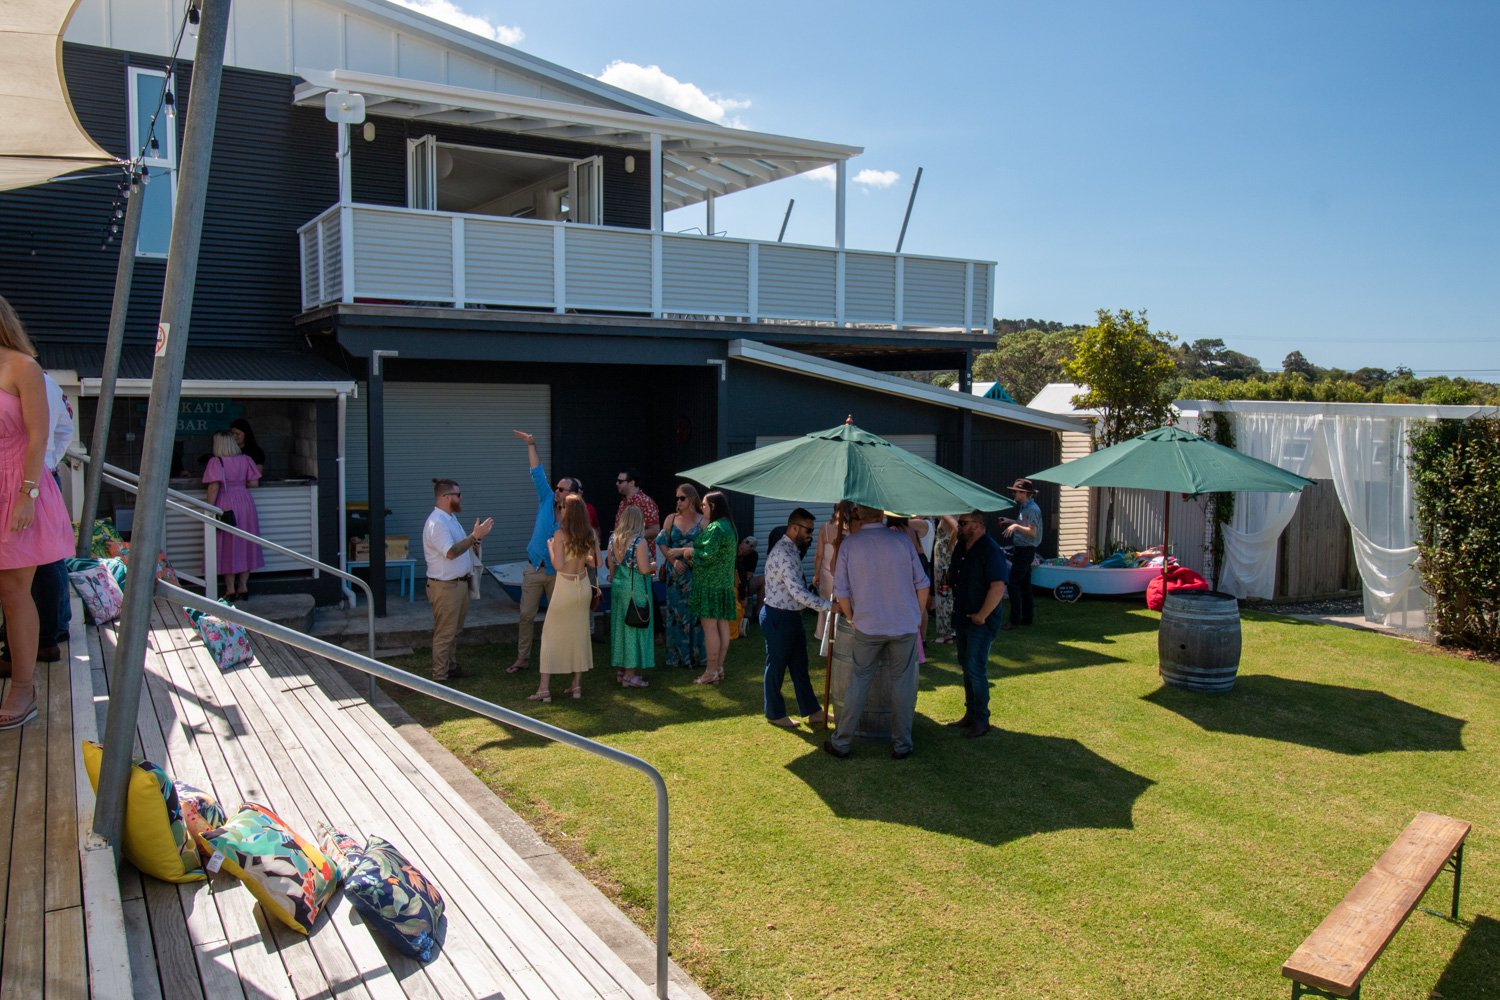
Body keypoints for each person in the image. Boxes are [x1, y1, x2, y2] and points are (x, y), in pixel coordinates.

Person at [0, 296, 75, 730]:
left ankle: (23, 686)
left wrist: (27, 493)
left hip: (18, 487)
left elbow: (39, 436)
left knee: (13, 591)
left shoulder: (22, 367)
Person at [824, 504, 930, 760]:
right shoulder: (901, 541)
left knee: (858, 682)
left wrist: (851, 617)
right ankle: (902, 744)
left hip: (867, 626)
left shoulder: (850, 544)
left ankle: (842, 741)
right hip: (903, 624)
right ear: (882, 514)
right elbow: (923, 583)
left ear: (858, 514)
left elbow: (842, 592)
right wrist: (917, 615)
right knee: (903, 684)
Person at [0, 372, 74, 670]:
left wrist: (37, 470)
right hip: (33, 476)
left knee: (37, 568)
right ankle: (51, 632)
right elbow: (64, 429)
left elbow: (45, 434)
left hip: (27, 481)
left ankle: (41, 639)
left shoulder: (29, 378)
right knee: (44, 563)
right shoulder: (50, 385)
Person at [760, 508, 832, 729]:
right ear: (794, 528)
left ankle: (812, 711)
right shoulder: (784, 553)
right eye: (808, 530)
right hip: (779, 617)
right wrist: (831, 606)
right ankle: (774, 713)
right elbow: (798, 593)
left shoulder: (791, 550)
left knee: (800, 666)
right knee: (776, 666)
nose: (811, 535)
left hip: (789, 616)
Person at [508, 429, 568, 673]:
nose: (557, 490)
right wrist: (531, 444)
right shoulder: (545, 498)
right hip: (534, 567)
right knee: (526, 615)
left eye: (562, 489)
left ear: (572, 494)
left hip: (557, 572)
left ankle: (554, 658)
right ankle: (523, 658)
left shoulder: (573, 517)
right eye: (557, 487)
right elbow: (536, 473)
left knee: (556, 618)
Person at [422, 479, 493, 683]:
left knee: (454, 631)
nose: (461, 498)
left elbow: (462, 547)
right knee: (445, 633)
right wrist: (473, 536)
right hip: (445, 587)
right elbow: (451, 553)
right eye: (458, 495)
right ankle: (440, 678)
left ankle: (450, 667)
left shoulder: (450, 519)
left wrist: (475, 540)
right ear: (446, 498)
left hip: (458, 585)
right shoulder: (437, 524)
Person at [946, 511, 1008, 738]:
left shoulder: (990, 550)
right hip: (963, 615)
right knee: (966, 666)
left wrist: (982, 615)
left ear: (977, 525)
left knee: (975, 668)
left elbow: (998, 587)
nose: (958, 527)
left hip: (981, 621)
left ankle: (982, 719)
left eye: (962, 523)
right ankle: (970, 714)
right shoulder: (962, 547)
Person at [532, 494, 598, 701]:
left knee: (550, 635)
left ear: (567, 512)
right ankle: (576, 686)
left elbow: (558, 566)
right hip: (583, 586)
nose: (559, 510)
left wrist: (552, 548)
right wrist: (581, 556)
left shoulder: (560, 535)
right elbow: (597, 563)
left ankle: (544, 689)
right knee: (579, 635)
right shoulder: (590, 533)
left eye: (561, 507)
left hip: (566, 586)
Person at [203, 429, 264, 601]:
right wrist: (238, 482)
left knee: (226, 545)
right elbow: (254, 483)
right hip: (245, 503)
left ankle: (230, 589)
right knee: (245, 542)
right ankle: (243, 587)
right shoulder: (246, 459)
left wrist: (209, 508)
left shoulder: (216, 462)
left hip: (225, 503)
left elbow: (214, 487)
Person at [683, 491, 736, 685]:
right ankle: (718, 668)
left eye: (704, 505)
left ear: (713, 506)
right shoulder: (728, 526)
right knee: (721, 625)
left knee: (710, 628)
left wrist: (689, 553)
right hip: (723, 585)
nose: (701, 508)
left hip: (710, 586)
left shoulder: (715, 528)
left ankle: (711, 671)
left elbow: (706, 555)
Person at [658, 483, 706, 670]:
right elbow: (662, 542)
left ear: (692, 498)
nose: (678, 501)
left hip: (696, 574)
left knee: (696, 616)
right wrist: (673, 562)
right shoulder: (671, 519)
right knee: (676, 615)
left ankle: (696, 657)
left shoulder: (703, 521)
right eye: (677, 498)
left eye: (682, 498)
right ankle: (676, 657)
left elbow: (706, 548)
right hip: (676, 575)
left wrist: (688, 552)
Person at [608, 503, 656, 687]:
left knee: (620, 629)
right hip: (634, 588)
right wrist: (653, 566)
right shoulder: (638, 541)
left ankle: (621, 671)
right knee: (633, 628)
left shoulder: (613, 539)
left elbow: (611, 570)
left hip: (618, 587)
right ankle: (630, 675)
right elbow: (644, 569)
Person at [1000, 479, 1043, 630]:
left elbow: (1032, 532)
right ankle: (1027, 618)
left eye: (1015, 491)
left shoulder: (1032, 509)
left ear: (1024, 493)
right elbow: (1025, 525)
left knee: (1013, 584)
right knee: (1025, 586)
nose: (1013, 494)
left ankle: (1015, 620)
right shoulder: (1025, 507)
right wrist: (1010, 521)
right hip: (1023, 550)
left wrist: (1016, 526)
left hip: (1025, 550)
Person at [812, 500, 855, 642]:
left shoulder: (825, 527)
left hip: (827, 572)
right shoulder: (853, 528)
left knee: (827, 604)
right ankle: (843, 635)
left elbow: (819, 555)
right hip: (847, 571)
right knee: (846, 603)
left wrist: (816, 573)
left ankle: (825, 636)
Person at [615, 468, 659, 559]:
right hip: (624, 556)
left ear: (632, 483)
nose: (617, 484)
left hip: (642, 557)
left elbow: (655, 530)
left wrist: (631, 538)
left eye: (620, 481)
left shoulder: (646, 502)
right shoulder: (623, 503)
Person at [930, 515, 959, 644]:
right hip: (946, 558)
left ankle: (947, 634)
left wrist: (950, 545)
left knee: (944, 593)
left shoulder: (947, 513)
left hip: (944, 559)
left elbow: (957, 529)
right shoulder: (959, 511)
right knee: (949, 593)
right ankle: (952, 631)